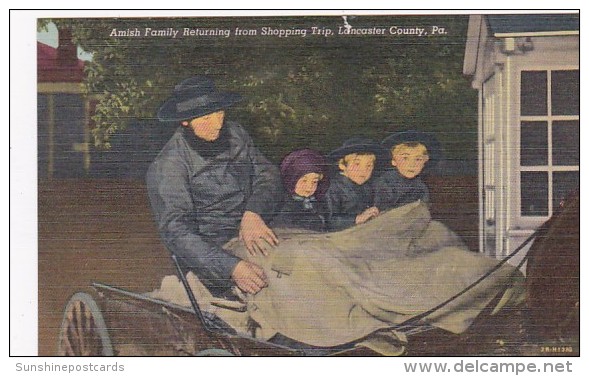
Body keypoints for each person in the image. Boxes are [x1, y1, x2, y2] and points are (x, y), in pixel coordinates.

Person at [146, 76, 283, 297]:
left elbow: (268, 174)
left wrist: (253, 212)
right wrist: (230, 267)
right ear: (185, 121)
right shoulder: (169, 164)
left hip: (254, 231)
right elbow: (176, 232)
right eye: (206, 118)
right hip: (213, 254)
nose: (217, 124)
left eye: (219, 113)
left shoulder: (235, 134)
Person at [324, 137, 387, 231]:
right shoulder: (333, 188)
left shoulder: (368, 187)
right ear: (342, 165)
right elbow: (328, 220)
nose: (364, 170)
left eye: (369, 165)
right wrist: (357, 219)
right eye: (357, 164)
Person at [374, 130, 441, 211]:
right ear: (394, 161)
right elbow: (381, 210)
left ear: (424, 162)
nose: (412, 164)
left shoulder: (421, 187)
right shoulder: (385, 182)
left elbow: (424, 209)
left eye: (418, 159)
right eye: (405, 158)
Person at [271, 149, 330, 232]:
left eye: (314, 181)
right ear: (291, 180)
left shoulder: (318, 203)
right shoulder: (282, 206)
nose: (309, 187)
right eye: (304, 181)